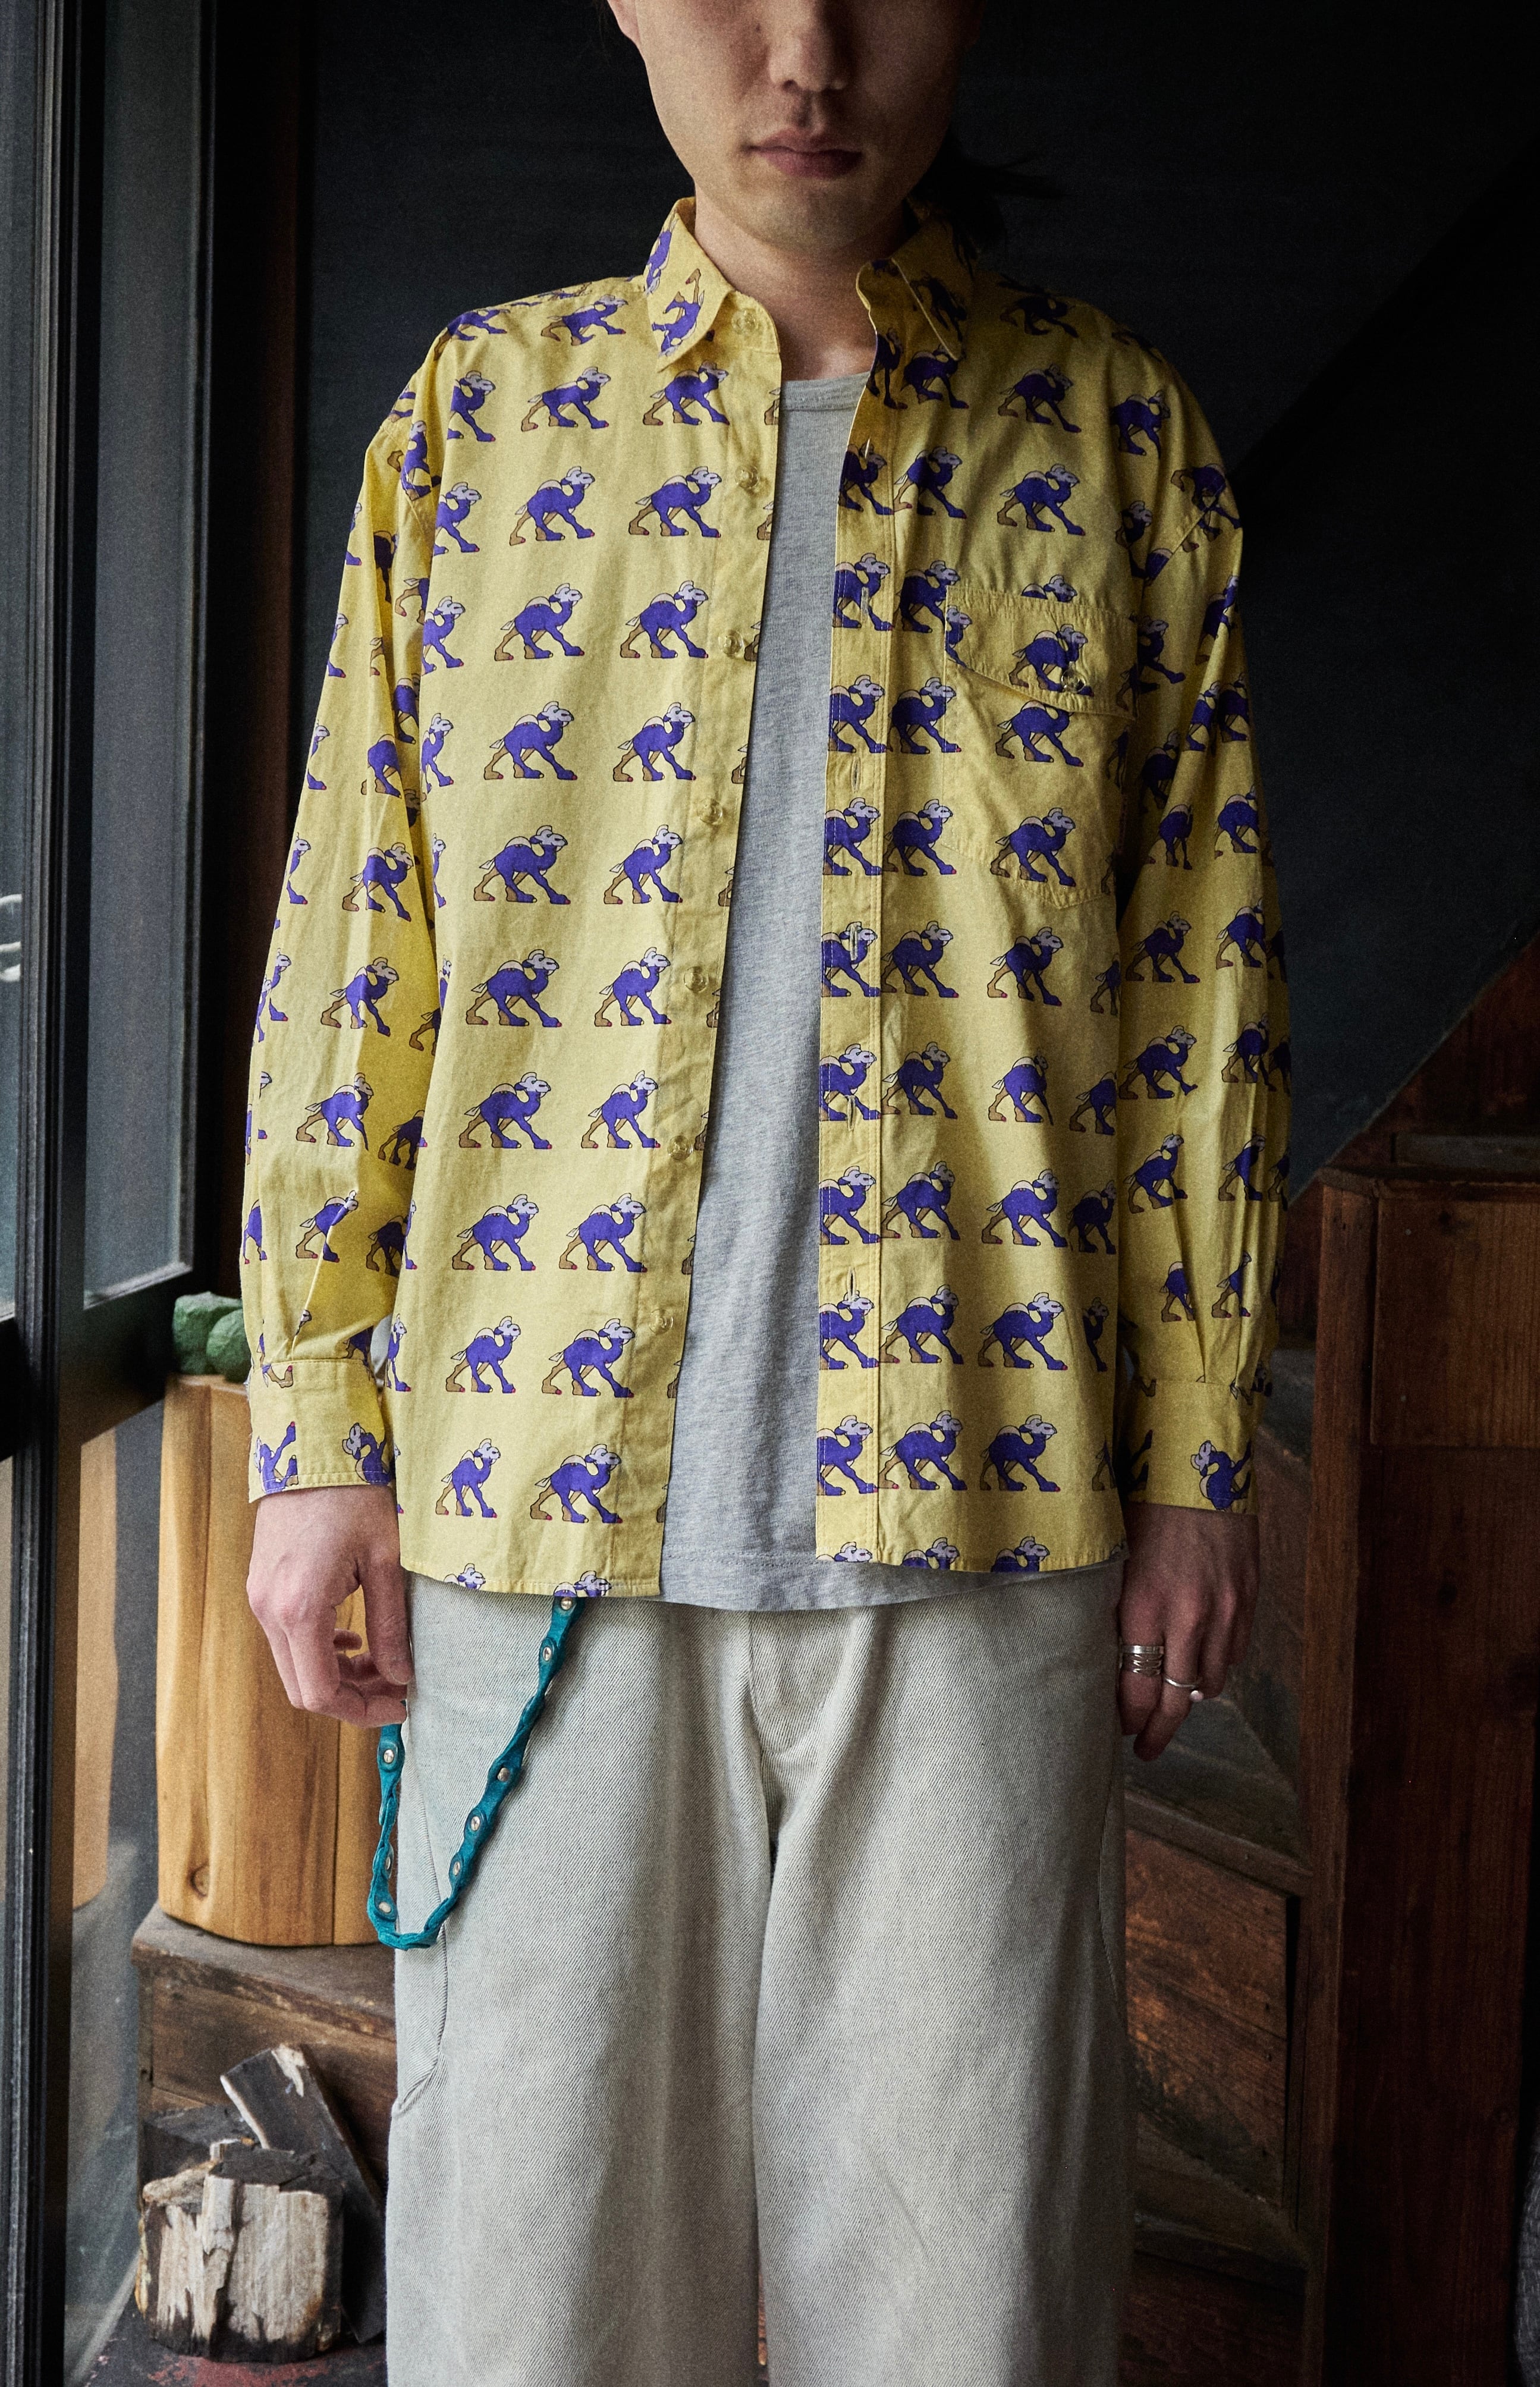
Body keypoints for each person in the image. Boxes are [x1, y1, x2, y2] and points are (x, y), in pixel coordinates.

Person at [241, 2, 1289, 2378]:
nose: (804, 51)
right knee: (535, 2296)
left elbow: (1199, 984)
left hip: (995, 1520)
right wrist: (314, 1428)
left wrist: (1198, 1448)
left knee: (966, 2304)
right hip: (538, 1516)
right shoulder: (483, 421)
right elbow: (355, 941)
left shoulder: (1115, 442)